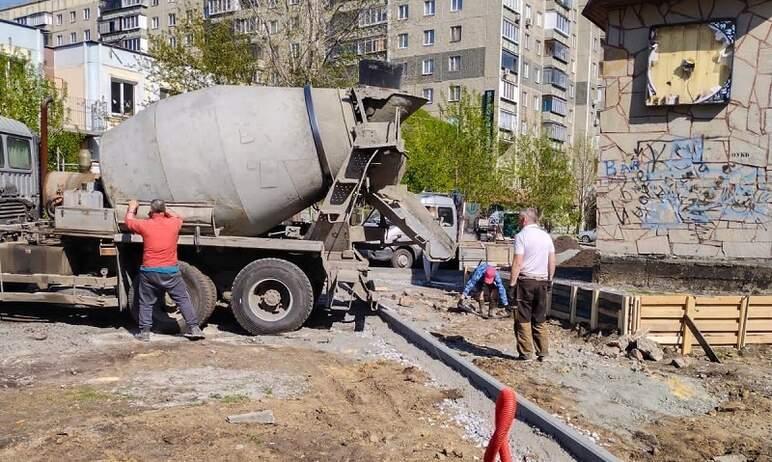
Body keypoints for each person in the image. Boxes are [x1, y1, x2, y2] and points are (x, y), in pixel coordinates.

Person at [125, 199, 205, 342]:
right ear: (164, 210)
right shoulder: (174, 223)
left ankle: (145, 333)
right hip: (170, 272)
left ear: (151, 211)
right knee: (182, 299)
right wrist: (165, 210)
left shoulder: (145, 225)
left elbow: (129, 222)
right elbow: (178, 217)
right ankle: (194, 328)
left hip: (149, 272)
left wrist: (132, 208)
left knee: (146, 302)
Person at [509, 208, 555, 361]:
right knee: (539, 317)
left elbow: (518, 262)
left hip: (526, 282)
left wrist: (512, 284)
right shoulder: (546, 237)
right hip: (542, 281)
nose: (518, 222)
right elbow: (552, 261)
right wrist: (550, 280)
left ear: (524, 220)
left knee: (523, 318)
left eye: (519, 220)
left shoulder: (521, 236)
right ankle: (543, 352)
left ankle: (526, 353)